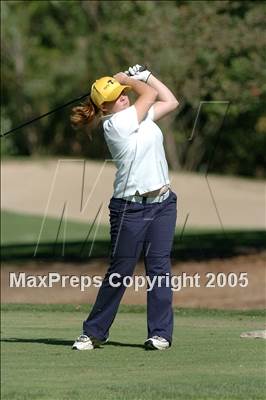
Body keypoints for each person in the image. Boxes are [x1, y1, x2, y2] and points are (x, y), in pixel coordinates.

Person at [70, 64, 179, 351]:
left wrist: (146, 74)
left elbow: (170, 100)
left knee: (159, 269)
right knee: (120, 272)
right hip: (130, 208)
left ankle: (160, 335)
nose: (123, 96)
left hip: (163, 204)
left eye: (124, 93)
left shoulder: (140, 118)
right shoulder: (115, 124)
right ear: (105, 107)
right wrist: (130, 79)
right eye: (118, 95)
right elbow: (151, 93)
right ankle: (93, 332)